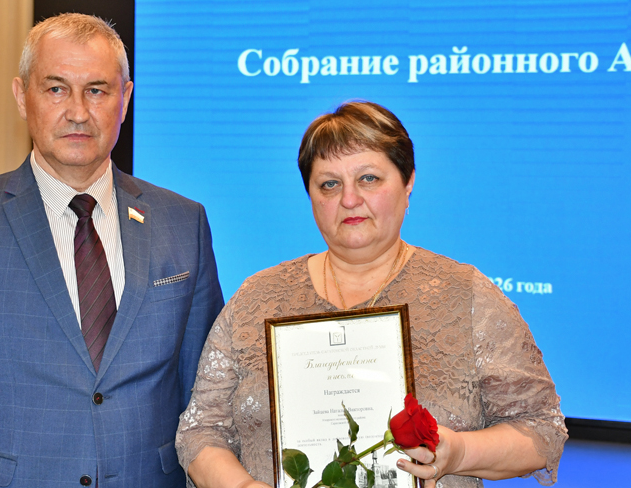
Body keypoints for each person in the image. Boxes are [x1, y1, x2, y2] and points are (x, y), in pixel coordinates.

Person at [0, 13, 224, 488]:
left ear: (125, 99)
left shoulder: (184, 224)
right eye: (57, 89)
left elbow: (208, 400)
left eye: (97, 90)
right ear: (23, 96)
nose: (78, 112)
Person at [176, 101, 567, 488]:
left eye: (368, 179)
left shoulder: (465, 296)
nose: (349, 199)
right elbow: (200, 431)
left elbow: (541, 430)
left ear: (408, 181)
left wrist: (460, 452)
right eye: (329, 184)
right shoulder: (256, 299)